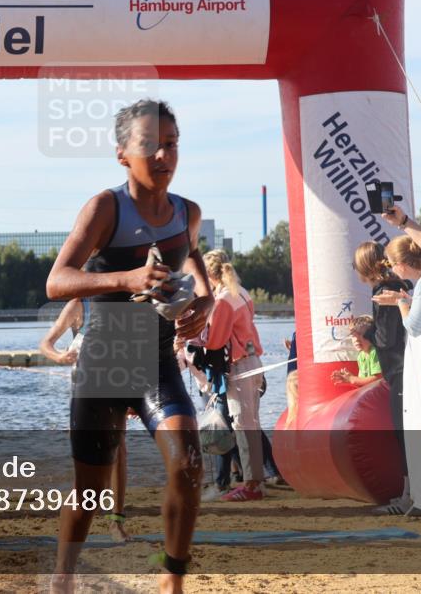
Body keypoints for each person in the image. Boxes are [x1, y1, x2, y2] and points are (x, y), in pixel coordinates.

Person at [46, 99, 212, 593]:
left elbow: (193, 257)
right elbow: (57, 281)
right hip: (102, 365)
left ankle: (171, 581)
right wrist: (128, 277)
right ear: (123, 154)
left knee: (188, 464)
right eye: (150, 145)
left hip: (157, 362)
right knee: (90, 495)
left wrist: (205, 303)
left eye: (172, 144)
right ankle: (63, 577)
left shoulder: (188, 212)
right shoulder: (104, 207)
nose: (163, 154)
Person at [40, 298, 131, 542]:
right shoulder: (78, 306)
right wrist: (59, 357)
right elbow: (46, 344)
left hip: (116, 382)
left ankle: (116, 520)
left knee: (119, 449)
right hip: (83, 389)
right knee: (84, 458)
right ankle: (83, 513)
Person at [201, 249, 267, 503]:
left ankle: (252, 484)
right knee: (252, 423)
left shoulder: (223, 300)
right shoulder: (243, 293)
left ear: (209, 275)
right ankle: (256, 480)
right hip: (254, 362)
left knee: (242, 423)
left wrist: (197, 340)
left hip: (240, 366)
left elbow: (215, 341)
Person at [352, 241, 412, 514]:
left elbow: (386, 339)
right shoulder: (403, 283)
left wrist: (367, 333)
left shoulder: (383, 290)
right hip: (412, 365)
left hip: (399, 369)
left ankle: (408, 497)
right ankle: (414, 494)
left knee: (402, 434)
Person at [372, 236, 421, 337]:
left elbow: (414, 328)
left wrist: (400, 302)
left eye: (390, 264)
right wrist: (411, 301)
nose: (390, 269)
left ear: (400, 265)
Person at [330, 316, 382, 387]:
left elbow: (378, 379)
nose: (356, 339)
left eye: (361, 335)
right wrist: (349, 379)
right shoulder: (361, 356)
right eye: (353, 336)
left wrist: (352, 379)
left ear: (371, 335)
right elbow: (364, 386)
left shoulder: (374, 352)